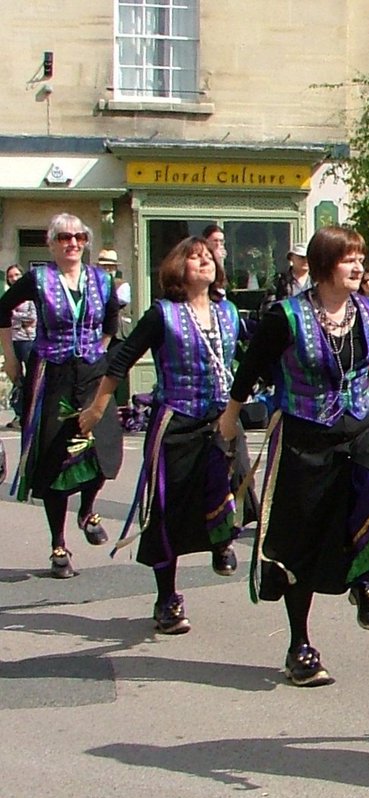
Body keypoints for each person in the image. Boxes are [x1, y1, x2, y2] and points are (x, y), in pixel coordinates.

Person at [216, 226, 369, 686]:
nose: (358, 267)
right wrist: (231, 416)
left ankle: (365, 577)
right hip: (305, 436)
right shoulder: (286, 316)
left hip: (359, 427)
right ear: (325, 264)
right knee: (303, 544)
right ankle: (300, 646)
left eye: (361, 259)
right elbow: (251, 367)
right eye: (348, 259)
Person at [78, 237, 249, 634]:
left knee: (236, 483)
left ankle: (222, 540)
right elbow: (123, 358)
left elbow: (250, 357)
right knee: (168, 511)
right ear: (177, 269)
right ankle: (167, 599)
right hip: (177, 421)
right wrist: (99, 405)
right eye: (194, 257)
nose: (204, 262)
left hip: (221, 419)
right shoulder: (163, 314)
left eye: (209, 257)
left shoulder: (229, 312)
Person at [0, 213, 123, 579]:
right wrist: (9, 357)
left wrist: (97, 352)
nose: (73, 244)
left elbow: (112, 323)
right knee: (55, 456)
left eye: (79, 238)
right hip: (52, 371)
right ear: (52, 244)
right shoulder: (39, 279)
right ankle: (58, 543)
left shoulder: (101, 280)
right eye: (65, 238)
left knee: (102, 447)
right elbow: (2, 308)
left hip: (91, 372)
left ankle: (88, 510)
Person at [4, 264, 37, 427]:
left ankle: (31, 413)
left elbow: (31, 318)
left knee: (32, 377)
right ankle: (19, 413)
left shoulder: (29, 295)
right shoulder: (8, 295)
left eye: (17, 275)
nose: (14, 278)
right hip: (12, 340)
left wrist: (14, 317)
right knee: (17, 379)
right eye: (11, 276)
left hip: (28, 340)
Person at [96, 250, 133, 340]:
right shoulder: (93, 284)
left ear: (116, 269)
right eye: (104, 266)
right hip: (99, 332)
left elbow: (118, 301)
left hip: (119, 332)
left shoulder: (123, 285)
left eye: (111, 267)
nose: (107, 270)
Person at [263, 243, 312, 308]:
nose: (306, 261)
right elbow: (268, 305)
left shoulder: (317, 281)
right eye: (302, 257)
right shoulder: (280, 280)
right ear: (291, 258)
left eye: (308, 258)